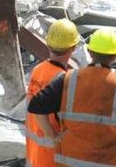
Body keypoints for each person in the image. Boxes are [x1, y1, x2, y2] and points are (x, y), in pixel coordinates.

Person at [28, 27, 116, 167]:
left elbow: (36, 105)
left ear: (89, 52)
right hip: (107, 160)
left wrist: (53, 137)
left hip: (72, 160)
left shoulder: (70, 79)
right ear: (115, 56)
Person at [25, 19, 80, 167]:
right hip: (51, 158)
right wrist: (53, 136)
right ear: (73, 47)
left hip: (34, 154)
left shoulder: (38, 70)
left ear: (48, 44)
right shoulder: (63, 80)